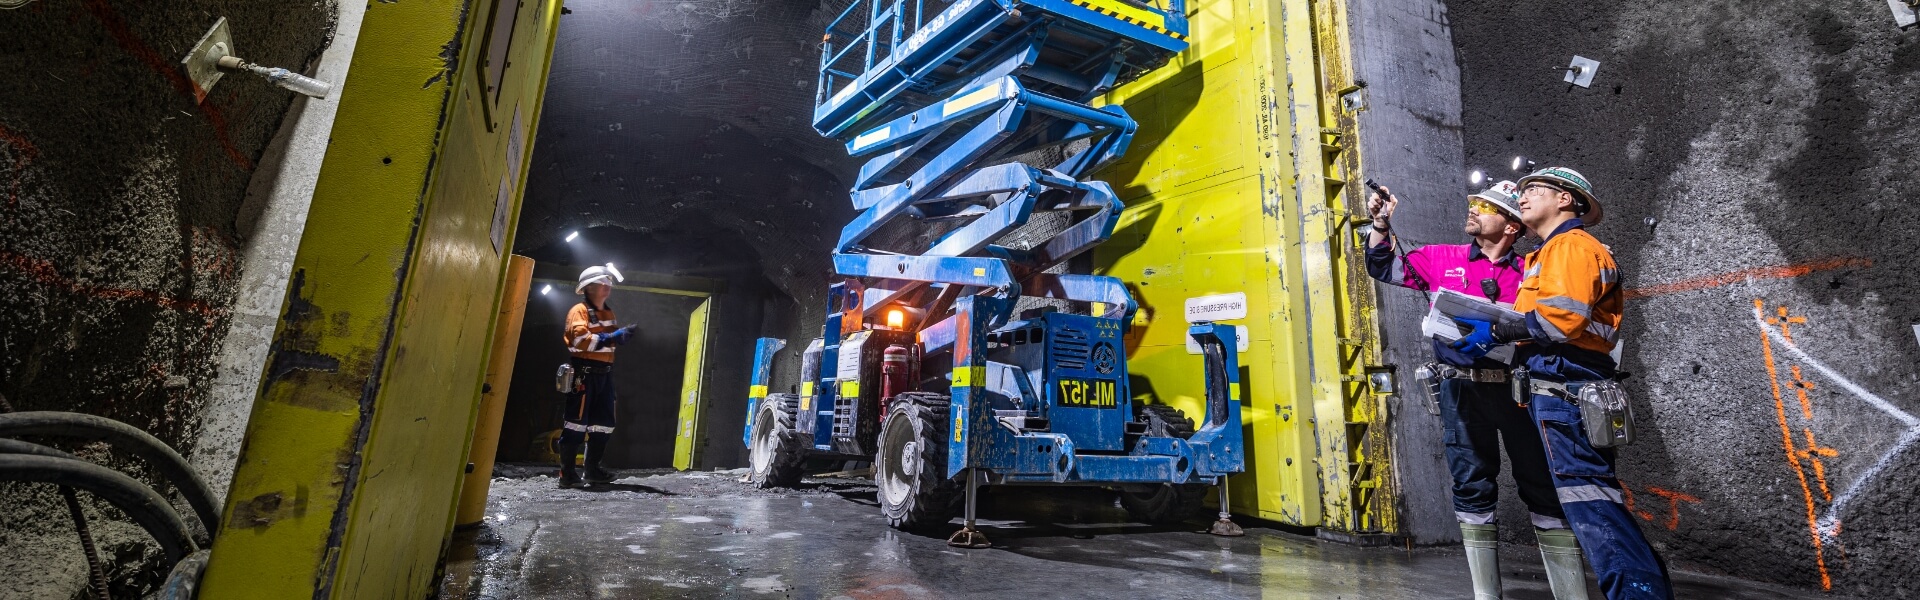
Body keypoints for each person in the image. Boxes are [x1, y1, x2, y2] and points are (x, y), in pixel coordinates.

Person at [1451, 167, 1672, 600]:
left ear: (1565, 199)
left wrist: (1495, 332)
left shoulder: (1570, 247)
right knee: (1593, 500)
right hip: (1561, 389)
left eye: (1533, 189)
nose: (1522, 195)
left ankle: (1638, 595)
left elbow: (1559, 321)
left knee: (1591, 503)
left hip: (1566, 388)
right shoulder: (1552, 251)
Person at [1366, 181, 1585, 600]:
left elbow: (1553, 323)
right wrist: (1380, 224)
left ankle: (1571, 593)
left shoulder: (1532, 270)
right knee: (1471, 485)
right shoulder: (1440, 258)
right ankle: (1486, 594)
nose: (1474, 210)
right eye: (1475, 203)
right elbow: (1383, 267)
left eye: (1486, 207)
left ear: (1511, 227)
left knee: (1542, 484)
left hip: (1520, 392)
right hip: (1461, 390)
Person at [559, 265, 637, 488]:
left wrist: (616, 337)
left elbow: (605, 342)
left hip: (604, 375)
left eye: (608, 283)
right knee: (576, 424)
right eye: (603, 283)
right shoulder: (579, 310)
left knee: (603, 424)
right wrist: (613, 337)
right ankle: (567, 474)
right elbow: (580, 340)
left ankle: (592, 470)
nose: (607, 287)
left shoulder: (607, 313)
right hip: (584, 374)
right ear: (589, 287)